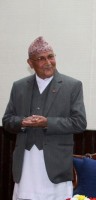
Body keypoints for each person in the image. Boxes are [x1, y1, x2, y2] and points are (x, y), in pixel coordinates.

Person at [2, 36, 87, 200]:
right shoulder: (19, 87)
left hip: (56, 166)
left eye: (51, 56)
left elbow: (79, 123)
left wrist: (47, 123)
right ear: (30, 63)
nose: (48, 62)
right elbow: (7, 121)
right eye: (41, 58)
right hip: (26, 166)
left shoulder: (72, 86)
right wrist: (22, 122)